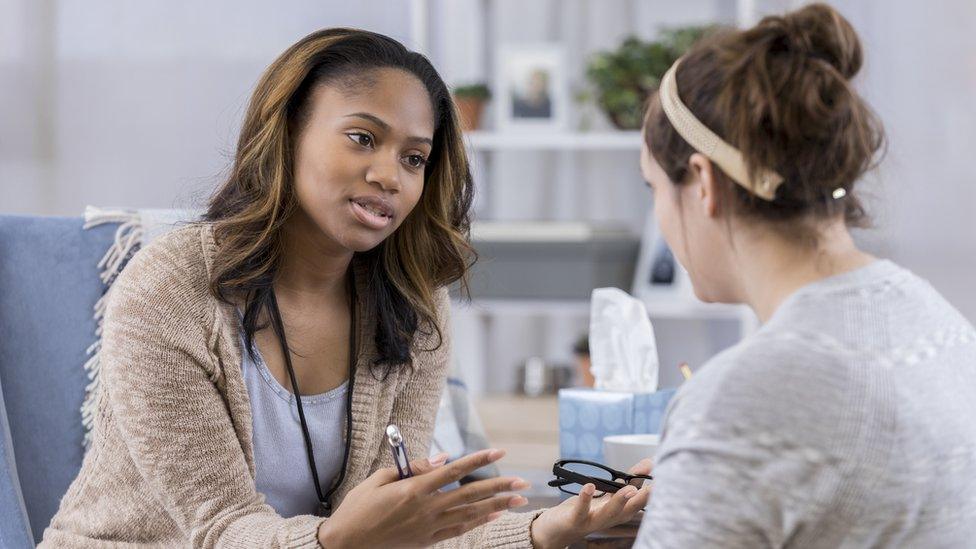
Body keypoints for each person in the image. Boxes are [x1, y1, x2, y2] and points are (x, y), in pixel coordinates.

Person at [41, 28, 648, 548]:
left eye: (414, 158)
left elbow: (395, 530)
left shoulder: (413, 304)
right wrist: (337, 537)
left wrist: (545, 530)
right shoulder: (171, 288)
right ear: (287, 134)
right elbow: (221, 531)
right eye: (362, 138)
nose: (389, 176)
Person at [634, 4, 976, 547]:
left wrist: (711, 454)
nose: (658, 214)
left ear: (702, 183)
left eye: (653, 188)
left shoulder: (742, 399)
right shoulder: (939, 322)